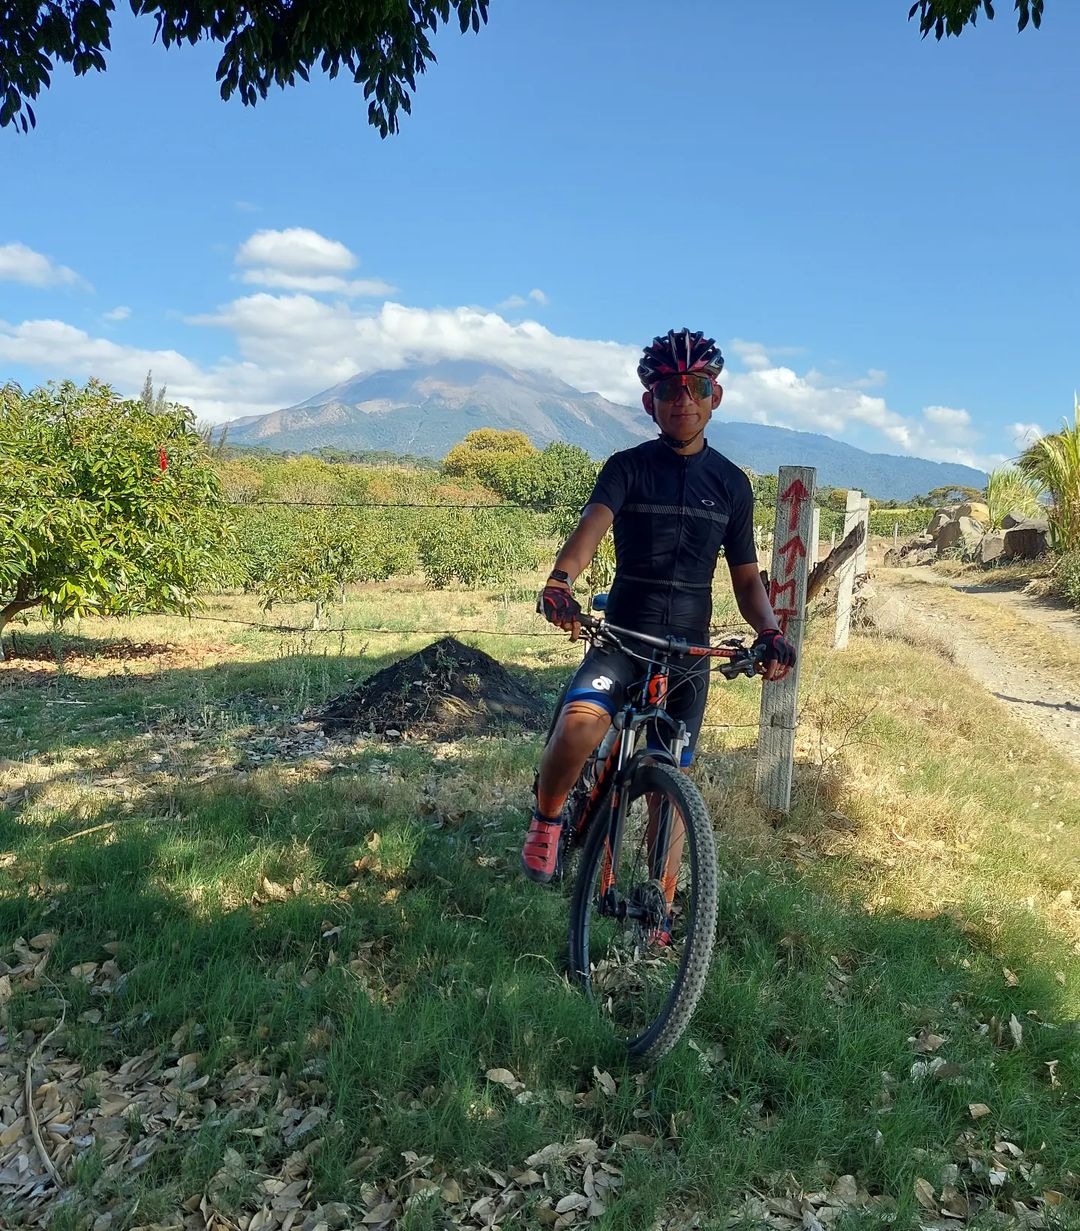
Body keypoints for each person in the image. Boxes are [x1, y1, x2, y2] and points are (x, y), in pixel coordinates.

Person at [521, 327, 796, 886]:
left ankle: (662, 909)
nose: (684, 400)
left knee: (670, 788)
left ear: (714, 396)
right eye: (670, 390)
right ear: (650, 402)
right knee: (577, 730)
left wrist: (769, 630)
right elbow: (590, 530)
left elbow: (745, 580)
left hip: (688, 652)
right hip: (623, 636)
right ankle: (547, 820)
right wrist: (560, 581)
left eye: (697, 387)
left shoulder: (731, 485)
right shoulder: (627, 467)